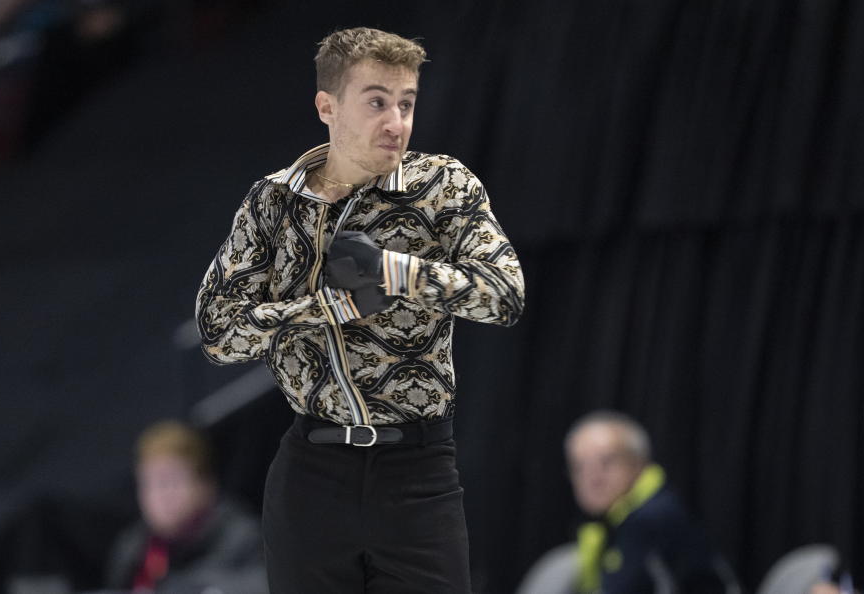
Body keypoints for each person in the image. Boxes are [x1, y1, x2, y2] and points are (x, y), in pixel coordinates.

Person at [194, 26, 525, 593]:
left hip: (417, 472)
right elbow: (218, 334)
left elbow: (503, 296)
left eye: (406, 103)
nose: (395, 121)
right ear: (328, 106)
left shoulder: (440, 186)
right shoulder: (274, 201)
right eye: (377, 102)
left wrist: (395, 270)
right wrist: (326, 310)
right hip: (310, 472)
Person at [563, 410, 728, 593]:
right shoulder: (616, 522)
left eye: (607, 461)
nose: (592, 478)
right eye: (579, 467)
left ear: (638, 462)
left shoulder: (650, 520)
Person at [104, 420, 267, 594]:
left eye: (172, 482)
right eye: (149, 484)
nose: (161, 496)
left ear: (205, 485)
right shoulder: (132, 550)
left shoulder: (240, 536)